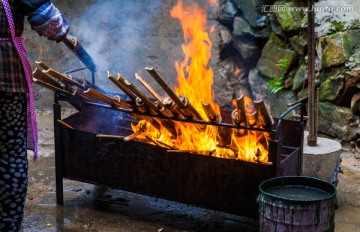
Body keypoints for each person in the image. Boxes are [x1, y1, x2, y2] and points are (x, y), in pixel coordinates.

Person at [0, 0, 69, 231]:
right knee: (10, 155)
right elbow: (51, 23)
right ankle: (7, 225)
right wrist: (63, 31)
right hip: (5, 80)